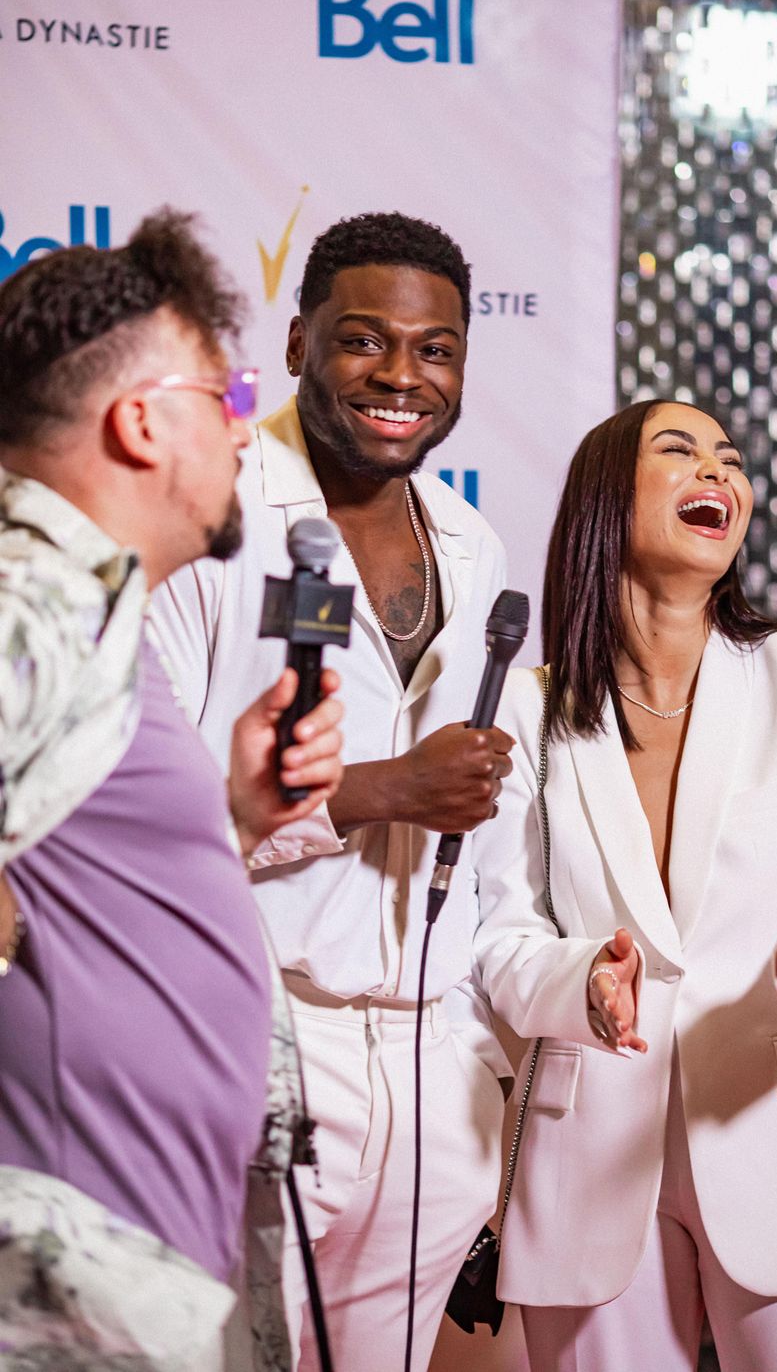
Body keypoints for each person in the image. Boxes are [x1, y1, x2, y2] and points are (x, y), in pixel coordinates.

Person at [473, 398, 777, 1372]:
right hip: (586, 1166)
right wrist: (581, 978)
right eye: (678, 453)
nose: (717, 472)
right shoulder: (527, 705)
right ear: (604, 500)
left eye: (728, 457)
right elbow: (500, 937)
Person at [150, 211, 514, 1372]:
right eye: (365, 341)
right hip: (259, 1037)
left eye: (437, 349)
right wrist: (380, 788)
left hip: (430, 1060)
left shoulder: (471, 544)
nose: (402, 376)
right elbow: (141, 821)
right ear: (299, 339)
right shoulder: (209, 512)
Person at [0, 211, 343, 1370]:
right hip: (64, 1292)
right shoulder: (36, 598)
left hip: (139, 1284)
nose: (247, 433)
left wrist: (231, 819)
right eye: (224, 398)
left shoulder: (99, 618)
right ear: (140, 422)